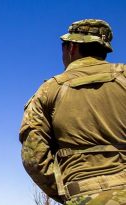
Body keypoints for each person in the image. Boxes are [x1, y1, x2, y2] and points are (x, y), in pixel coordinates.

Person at [19, 19, 126, 205]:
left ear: (72, 48)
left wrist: (69, 192)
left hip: (81, 196)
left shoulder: (49, 90)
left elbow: (33, 157)